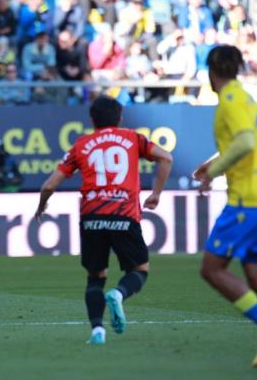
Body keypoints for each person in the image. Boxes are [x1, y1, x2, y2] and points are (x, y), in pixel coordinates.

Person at [34, 96, 173, 345]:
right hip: (124, 214)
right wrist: (156, 194)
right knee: (139, 270)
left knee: (95, 277)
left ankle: (97, 331)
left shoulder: (81, 144)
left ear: (91, 120)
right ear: (120, 117)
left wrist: (41, 207)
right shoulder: (133, 138)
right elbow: (167, 158)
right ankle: (119, 294)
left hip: (92, 217)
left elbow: (49, 185)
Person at [193, 45, 257, 371]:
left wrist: (213, 170)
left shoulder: (230, 101)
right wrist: (213, 163)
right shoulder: (247, 99)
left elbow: (246, 144)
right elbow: (248, 142)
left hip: (245, 201)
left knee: (212, 269)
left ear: (211, 71)